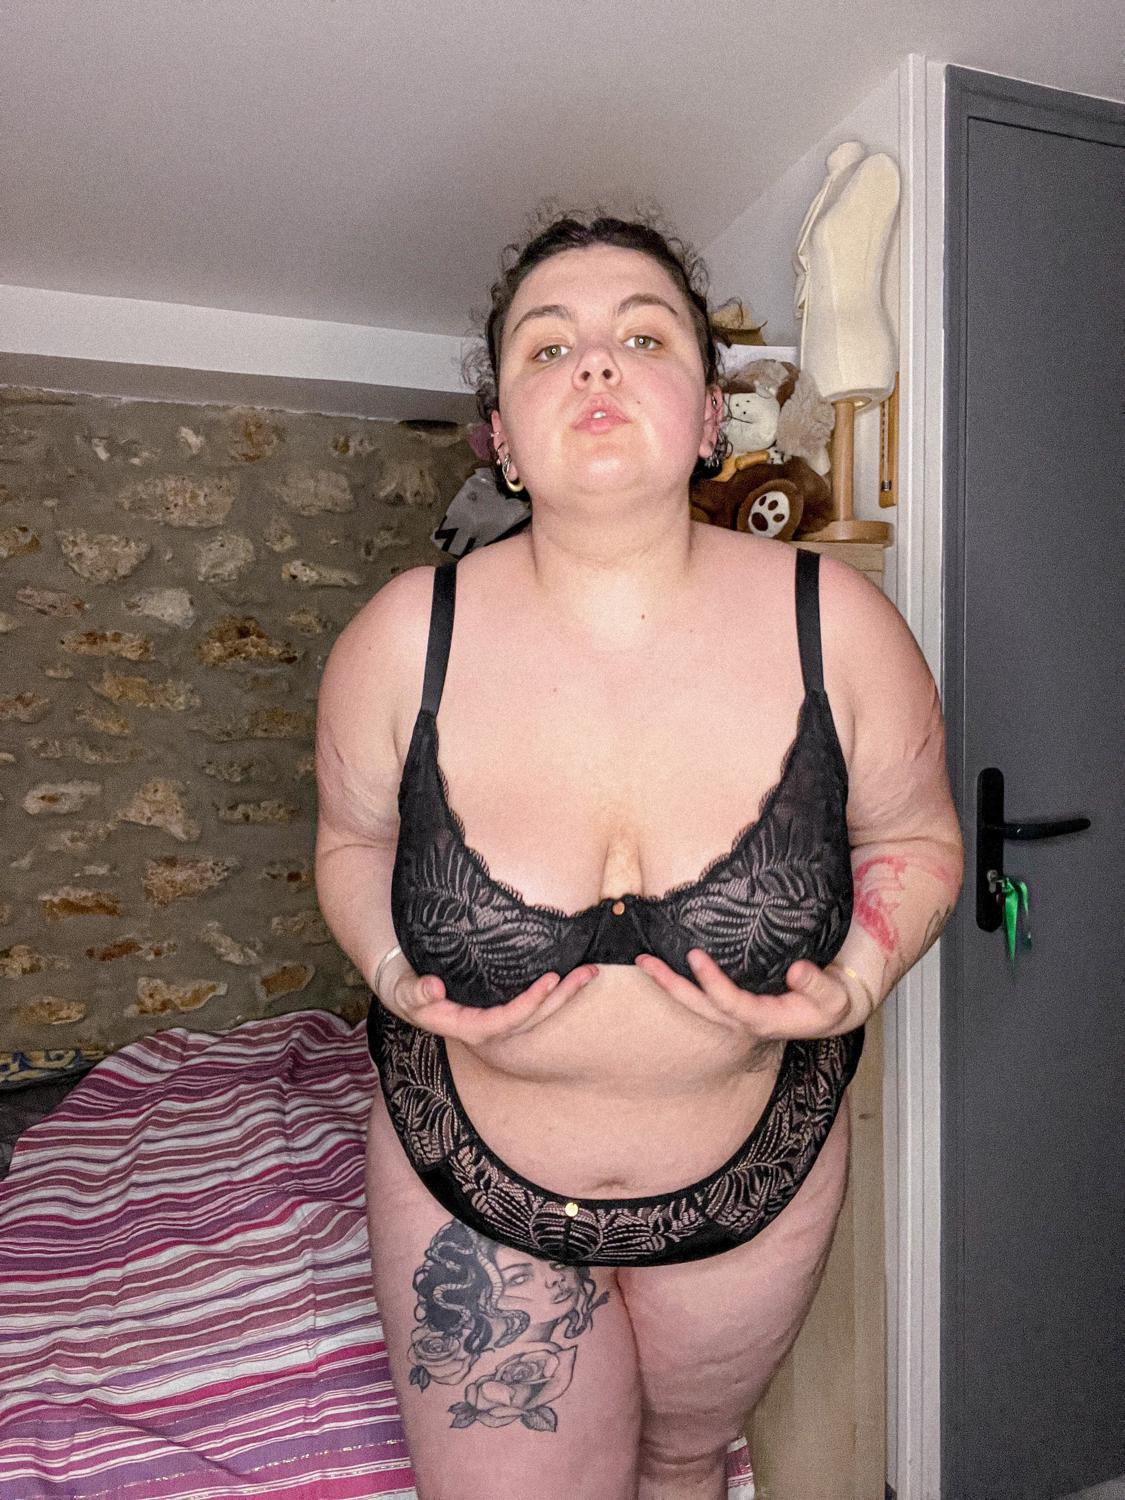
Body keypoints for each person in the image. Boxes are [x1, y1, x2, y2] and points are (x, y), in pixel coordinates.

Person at [315, 209, 964, 1500]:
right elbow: (352, 843)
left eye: (644, 336)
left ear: (711, 414)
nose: (598, 364)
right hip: (471, 1185)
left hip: (751, 1188)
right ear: (501, 436)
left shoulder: (838, 626)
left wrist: (860, 978)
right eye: (548, 347)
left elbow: (915, 837)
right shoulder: (399, 641)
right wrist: (392, 975)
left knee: (683, 1466)